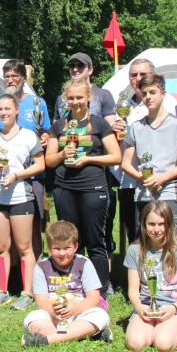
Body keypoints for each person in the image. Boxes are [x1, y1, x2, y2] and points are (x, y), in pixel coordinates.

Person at [46, 77, 121, 298]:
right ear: (64, 100)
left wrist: (88, 160)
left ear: (89, 97)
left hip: (93, 187)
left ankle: (100, 288)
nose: (75, 101)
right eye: (71, 98)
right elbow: (49, 161)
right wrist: (62, 154)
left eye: (80, 97)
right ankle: (74, 286)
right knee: (69, 240)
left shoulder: (99, 124)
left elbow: (115, 156)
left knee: (95, 240)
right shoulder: (59, 126)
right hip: (64, 188)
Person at [111, 58, 177, 246]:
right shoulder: (127, 112)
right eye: (133, 75)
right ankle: (144, 275)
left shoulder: (174, 114)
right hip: (136, 187)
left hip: (168, 188)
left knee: (172, 240)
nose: (148, 97)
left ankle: (175, 275)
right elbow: (124, 158)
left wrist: (164, 177)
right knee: (140, 240)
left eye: (142, 74)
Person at [0, 94, 45, 310]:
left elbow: (40, 164)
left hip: (21, 197)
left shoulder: (29, 135)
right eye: (0, 110)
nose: (4, 113)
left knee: (24, 247)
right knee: (1, 247)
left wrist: (17, 175)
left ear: (17, 109)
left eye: (8, 109)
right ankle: (2, 290)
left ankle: (27, 293)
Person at [0, 59, 51, 263]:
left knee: (34, 224)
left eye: (15, 75)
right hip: (5, 177)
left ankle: (37, 270)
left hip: (33, 173)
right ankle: (14, 273)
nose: (11, 79)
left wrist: (46, 137)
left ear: (24, 78)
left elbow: (46, 131)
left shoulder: (37, 103)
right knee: (6, 226)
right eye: (7, 76)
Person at [20, 221, 112, 347]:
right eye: (57, 249)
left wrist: (74, 309)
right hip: (53, 316)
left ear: (75, 246)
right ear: (49, 247)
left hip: (79, 314)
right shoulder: (41, 266)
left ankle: (47, 340)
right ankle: (87, 333)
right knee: (32, 318)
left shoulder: (84, 263)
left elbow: (93, 298)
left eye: (67, 248)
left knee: (101, 315)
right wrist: (52, 310)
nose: (62, 253)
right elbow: (41, 301)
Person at [124, 201, 177, 352]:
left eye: (161, 224)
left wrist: (174, 308)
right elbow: (133, 289)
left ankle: (174, 332)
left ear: (169, 224)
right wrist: (139, 307)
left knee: (163, 343)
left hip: (174, 306)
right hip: (146, 306)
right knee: (135, 343)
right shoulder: (134, 250)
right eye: (151, 224)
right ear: (143, 224)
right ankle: (153, 330)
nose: (156, 229)